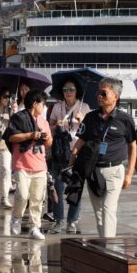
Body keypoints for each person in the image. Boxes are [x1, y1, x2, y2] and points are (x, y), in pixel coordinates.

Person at [71, 78, 137, 237]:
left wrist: (129, 174)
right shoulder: (90, 117)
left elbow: (133, 146)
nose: (99, 96)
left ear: (116, 96)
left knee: (108, 209)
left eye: (104, 93)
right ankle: (103, 245)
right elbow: (81, 141)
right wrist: (71, 164)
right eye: (98, 92)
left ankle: (110, 248)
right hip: (92, 171)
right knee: (99, 212)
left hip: (114, 170)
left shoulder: (125, 119)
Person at [45, 76, 90, 234]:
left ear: (77, 91)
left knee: (75, 188)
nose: (68, 92)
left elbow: (90, 131)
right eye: (65, 90)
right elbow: (48, 128)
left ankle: (71, 221)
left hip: (77, 152)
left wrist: (82, 120)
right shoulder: (58, 107)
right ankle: (58, 220)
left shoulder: (84, 107)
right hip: (60, 151)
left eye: (71, 89)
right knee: (57, 186)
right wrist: (55, 125)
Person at [5, 90, 52, 240]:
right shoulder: (18, 118)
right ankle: (16, 218)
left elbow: (49, 142)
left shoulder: (43, 121)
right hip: (22, 164)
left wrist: (44, 137)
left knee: (38, 198)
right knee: (23, 195)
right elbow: (11, 137)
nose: (44, 107)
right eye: (43, 104)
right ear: (35, 104)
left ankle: (35, 227)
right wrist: (30, 135)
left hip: (39, 165)